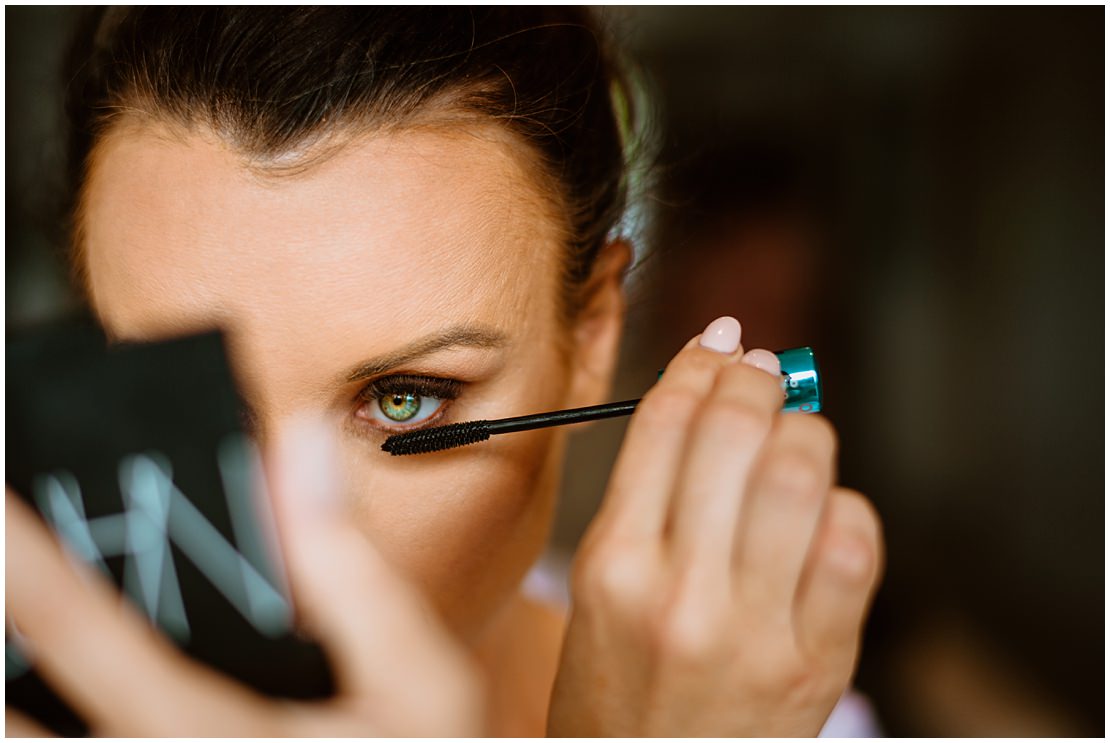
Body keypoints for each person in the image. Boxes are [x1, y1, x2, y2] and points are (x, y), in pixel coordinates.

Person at [6, 7, 883, 736]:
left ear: (590, 339)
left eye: (404, 400)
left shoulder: (772, 720)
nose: (280, 557)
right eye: (188, 405)